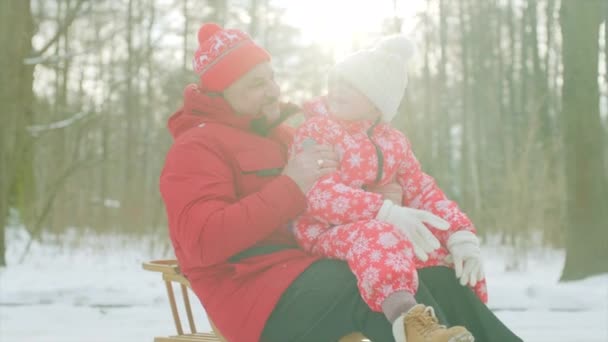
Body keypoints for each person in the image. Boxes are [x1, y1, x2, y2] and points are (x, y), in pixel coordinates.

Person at [160, 22, 523, 342]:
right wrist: (290, 186)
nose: (273, 90)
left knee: (435, 276)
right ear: (219, 92)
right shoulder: (197, 147)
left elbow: (338, 197)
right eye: (257, 83)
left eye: (271, 76)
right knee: (373, 286)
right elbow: (201, 242)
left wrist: (384, 200)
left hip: (311, 266)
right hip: (254, 295)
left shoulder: (285, 136)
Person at [290, 36, 486, 342]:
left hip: (375, 226)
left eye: (352, 85)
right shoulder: (317, 130)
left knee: (441, 254)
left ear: (378, 99)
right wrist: (384, 210)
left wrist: (460, 234)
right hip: (322, 230)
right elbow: (318, 196)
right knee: (379, 234)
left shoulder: (394, 142)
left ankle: (467, 329)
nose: (338, 90)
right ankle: (408, 320)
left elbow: (423, 190)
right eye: (337, 81)